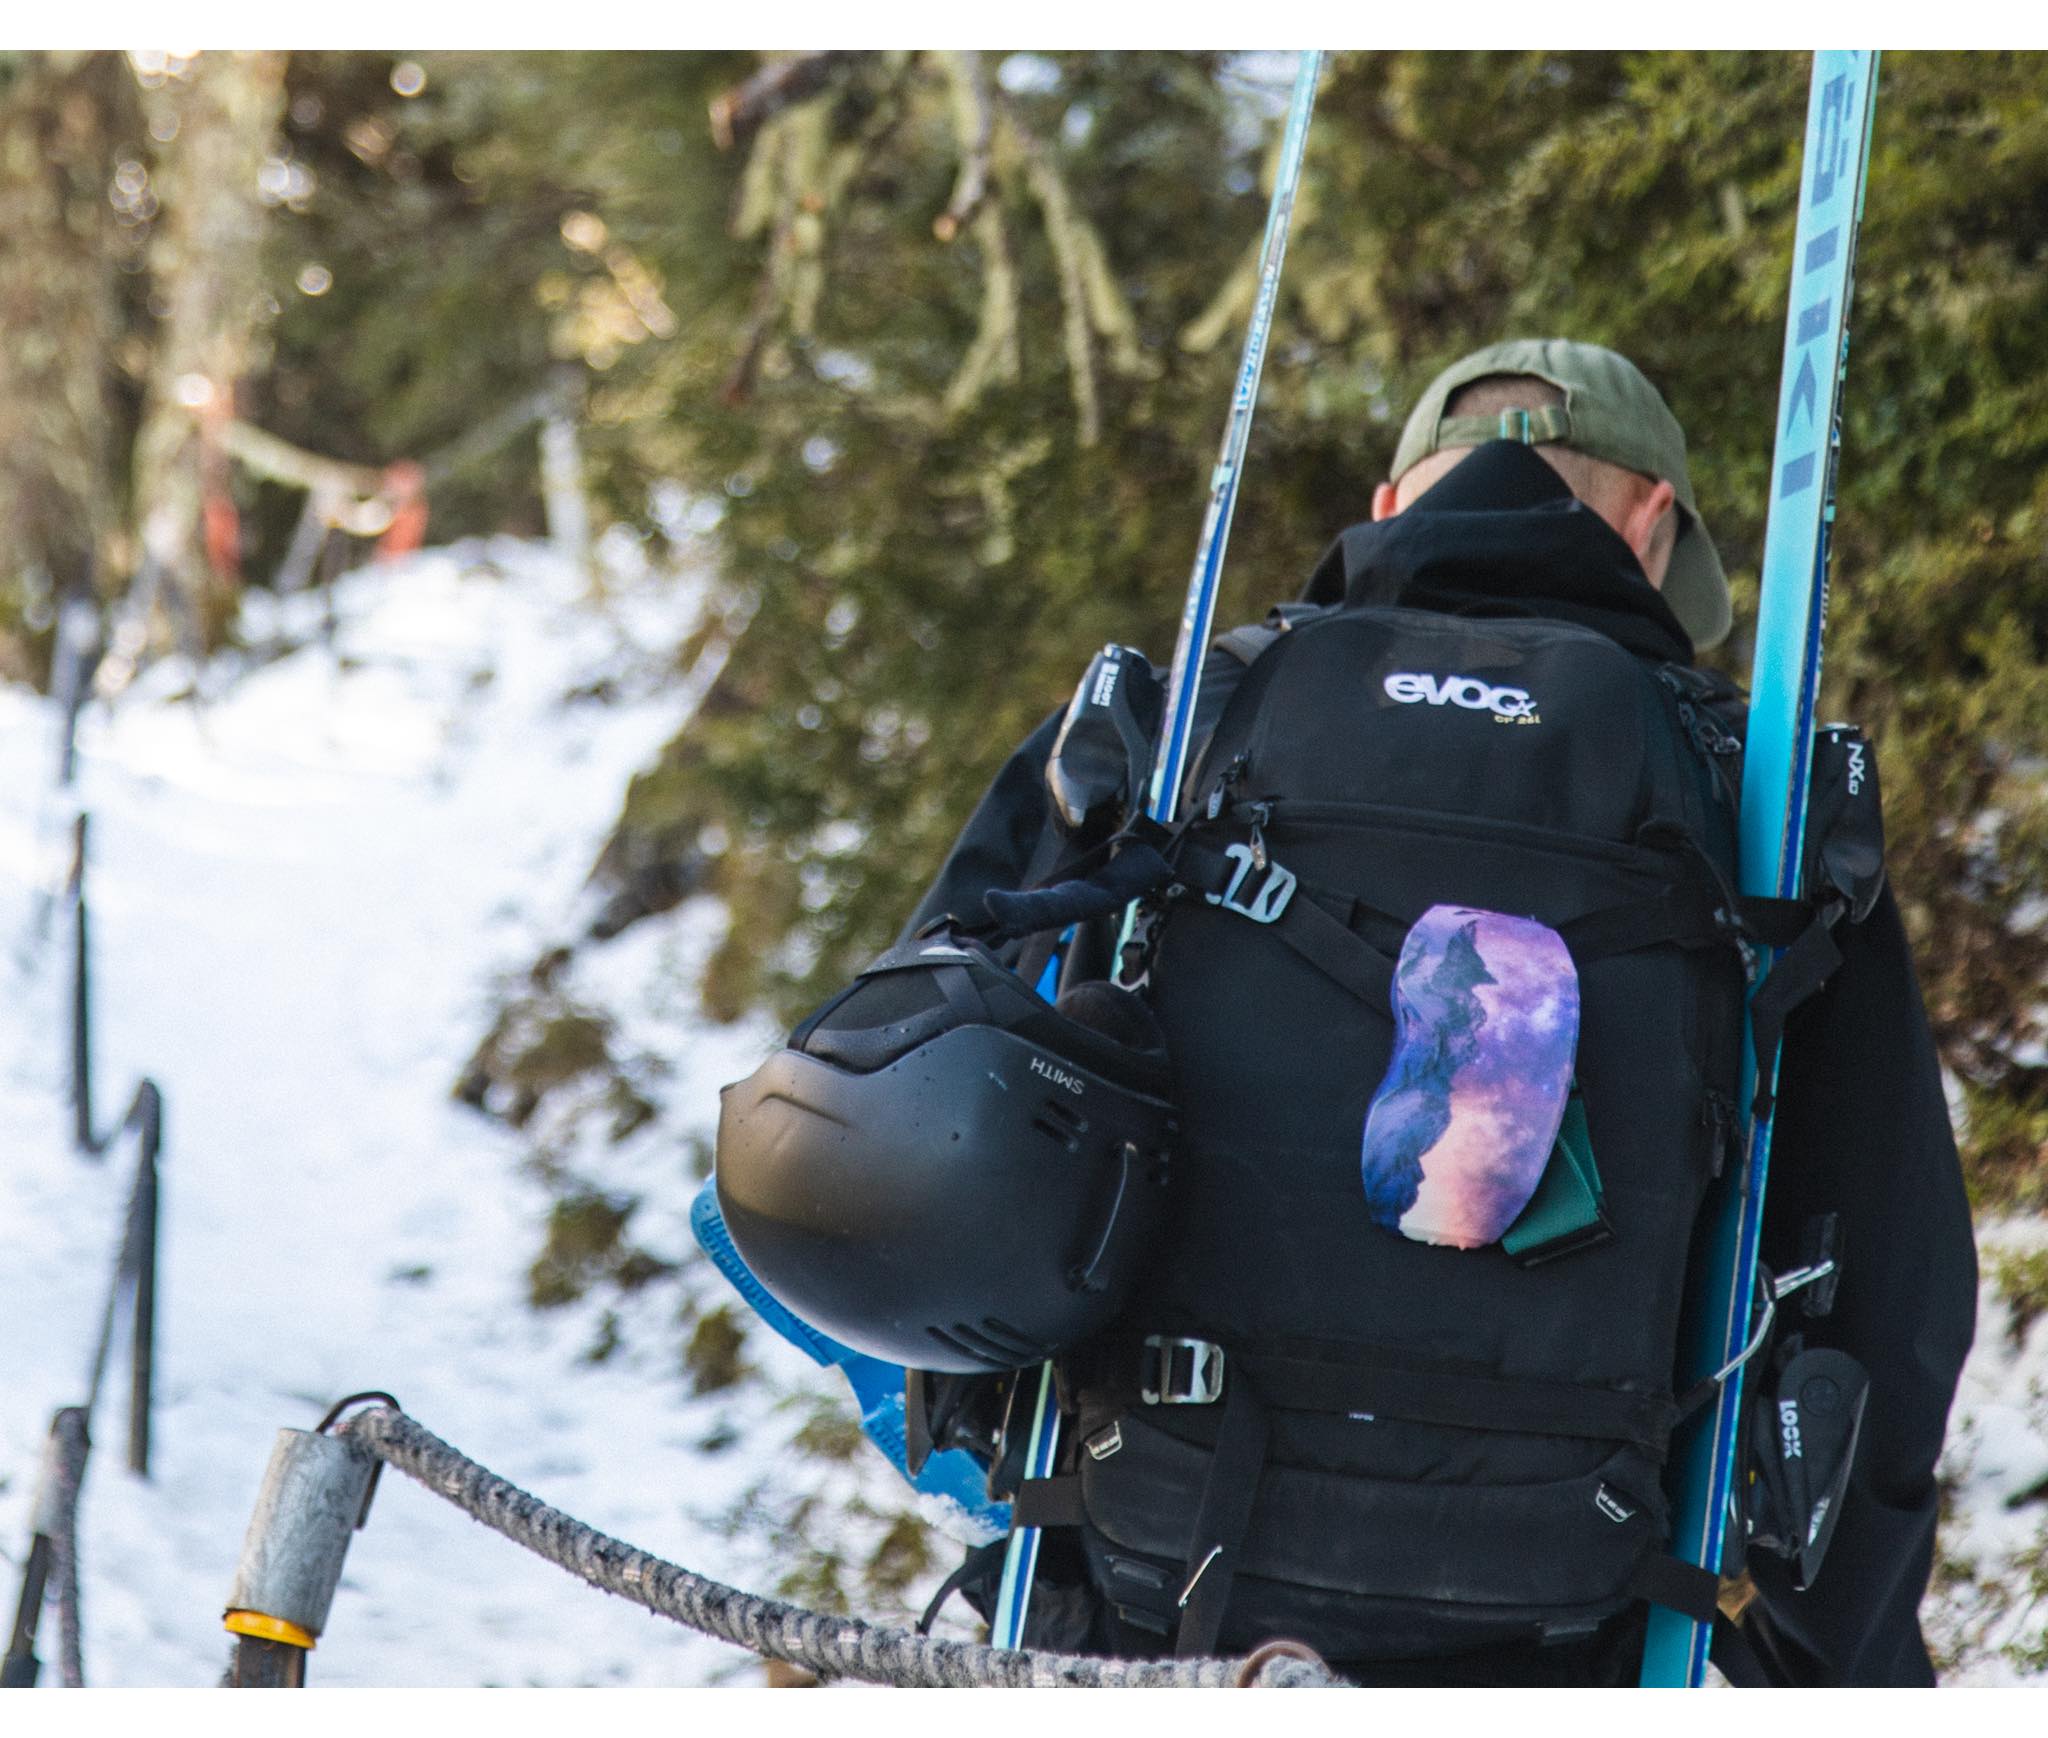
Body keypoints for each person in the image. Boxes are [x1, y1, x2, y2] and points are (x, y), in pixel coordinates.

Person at [900, 338, 1978, 1686]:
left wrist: (979, 1448)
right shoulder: (1752, 806)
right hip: (1571, 1618)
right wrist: (1845, 1666)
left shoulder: (1178, 725)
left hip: (1149, 1588)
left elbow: (897, 1104)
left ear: (1392, 503)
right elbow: (1895, 1282)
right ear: (1652, 525)